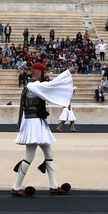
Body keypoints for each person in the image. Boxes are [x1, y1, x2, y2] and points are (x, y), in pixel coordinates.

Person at [12, 62, 76, 197]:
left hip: (37, 123)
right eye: (44, 72)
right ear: (37, 72)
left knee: (49, 153)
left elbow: (49, 87)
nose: (46, 75)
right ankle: (16, 187)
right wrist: (67, 72)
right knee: (29, 156)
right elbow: (51, 86)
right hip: (34, 123)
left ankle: (53, 185)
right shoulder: (33, 86)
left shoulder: (34, 87)